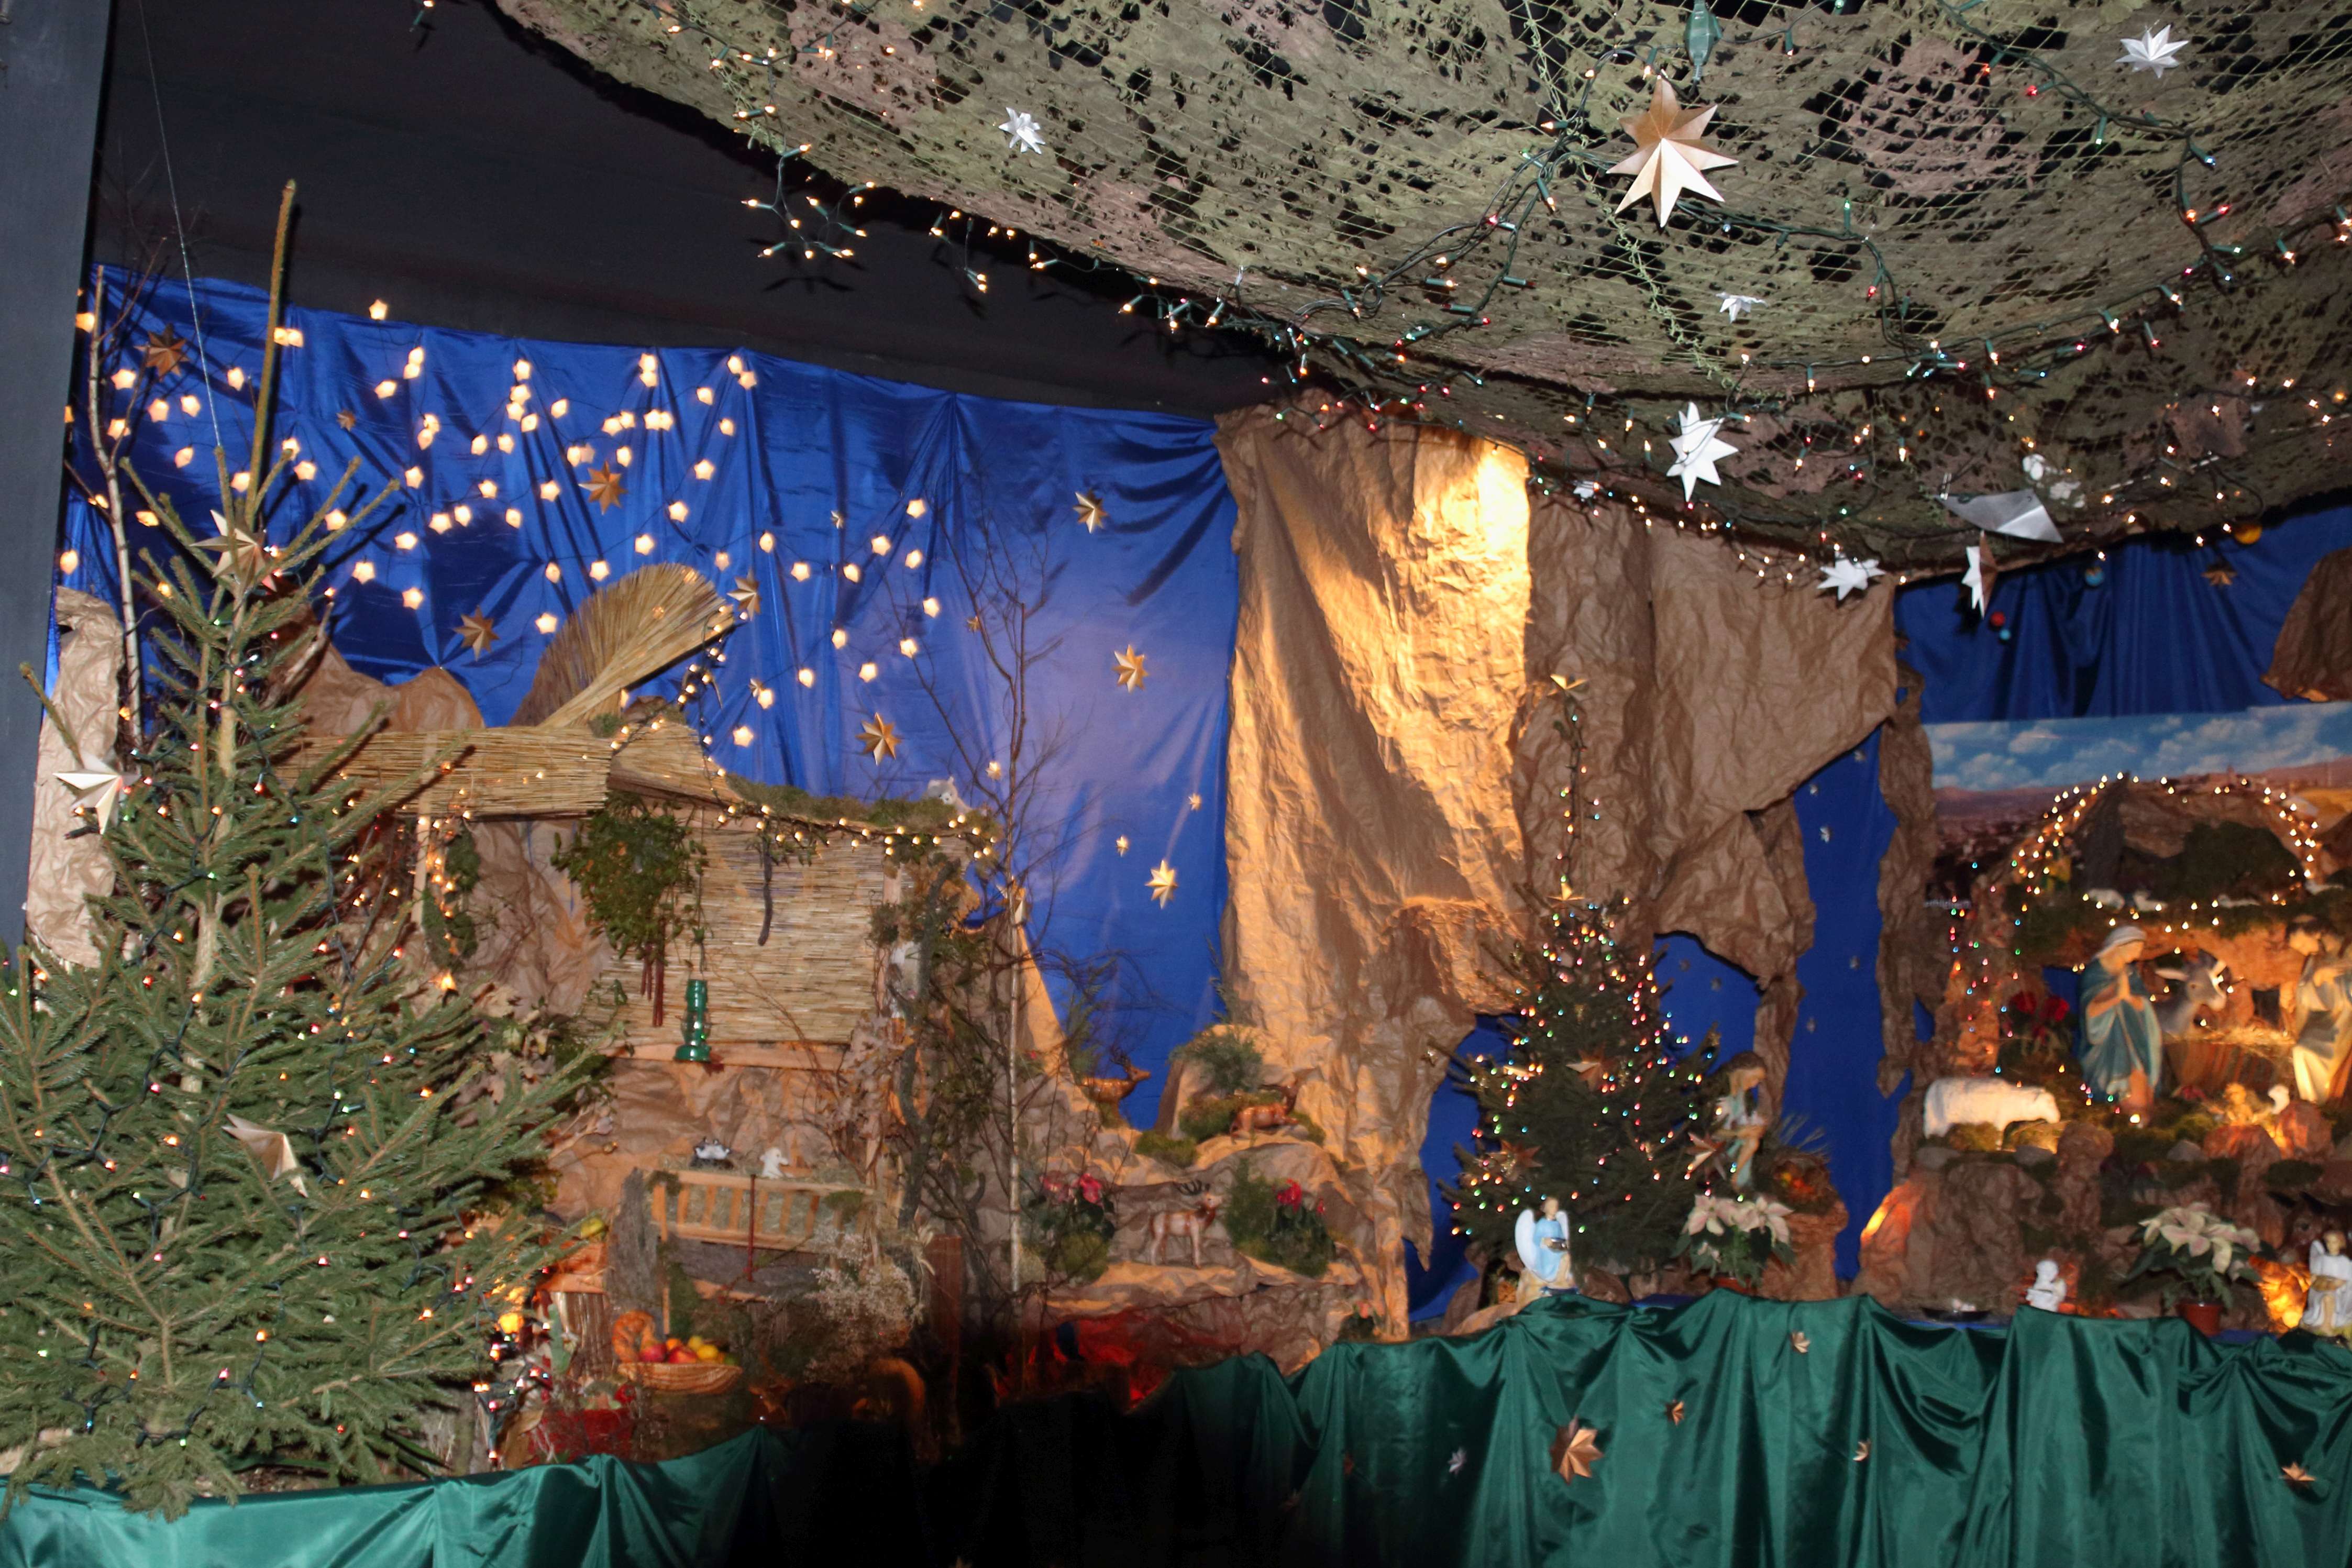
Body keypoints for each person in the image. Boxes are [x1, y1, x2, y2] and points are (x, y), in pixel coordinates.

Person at [2079, 924, 2162, 1111]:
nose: (2138, 954)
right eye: (2136, 948)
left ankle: (2139, 1109)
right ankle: (2112, 1106)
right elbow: (2090, 1010)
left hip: (2133, 1036)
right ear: (2121, 946)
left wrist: (2129, 998)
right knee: (2112, 1079)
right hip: (2106, 1041)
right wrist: (2116, 996)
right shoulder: (2095, 973)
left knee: (2138, 1074)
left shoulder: (2130, 973)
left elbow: (2143, 1004)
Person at [2286, 920, 2352, 1104]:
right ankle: (2311, 1104)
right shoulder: (2315, 960)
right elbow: (2303, 996)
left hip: (2343, 1021)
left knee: (2306, 1051)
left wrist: (2336, 983)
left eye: (2303, 945)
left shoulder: (2349, 950)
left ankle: (2315, 1104)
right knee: (2301, 1050)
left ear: (2316, 934)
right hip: (2322, 1021)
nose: (2304, 952)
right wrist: (2318, 978)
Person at [1514, 1196, 1576, 1299]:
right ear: (1545, 1208)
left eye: (1555, 1206)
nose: (1554, 1209)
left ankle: (1561, 1279)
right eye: (1551, 1206)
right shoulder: (1542, 1224)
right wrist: (1544, 1241)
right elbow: (1536, 1239)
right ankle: (1553, 1277)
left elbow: (1561, 1237)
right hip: (1547, 1255)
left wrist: (1566, 1242)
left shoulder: (1557, 1224)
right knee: (1558, 1260)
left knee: (1567, 1257)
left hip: (1557, 1250)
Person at [2305, 1231, 2351, 1337]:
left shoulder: (2344, 1261)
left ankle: (2327, 1325)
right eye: (2328, 1242)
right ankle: (2323, 1324)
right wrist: (2314, 1278)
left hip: (2338, 1292)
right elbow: (2316, 1274)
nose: (2331, 1245)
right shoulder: (2322, 1259)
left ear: (2340, 1243)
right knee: (2325, 1297)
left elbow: (2345, 1280)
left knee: (2328, 1298)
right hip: (2320, 1290)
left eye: (2334, 1243)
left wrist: (2334, 1284)